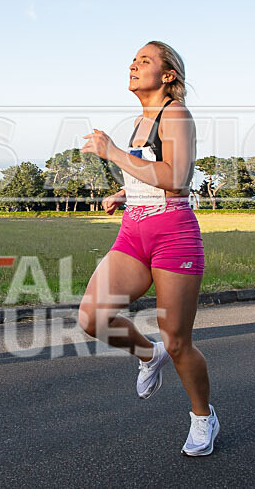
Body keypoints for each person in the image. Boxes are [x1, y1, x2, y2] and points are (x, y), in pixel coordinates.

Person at [79, 41, 218, 456]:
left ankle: (202, 417)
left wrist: (113, 153)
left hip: (173, 234)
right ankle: (146, 353)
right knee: (92, 317)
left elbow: (176, 176)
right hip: (133, 231)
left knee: (178, 341)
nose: (133, 65)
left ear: (168, 75)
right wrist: (125, 192)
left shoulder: (175, 114)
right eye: (133, 60)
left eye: (145, 61)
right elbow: (149, 170)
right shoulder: (140, 122)